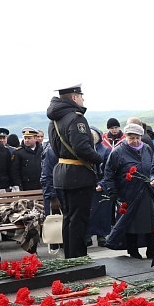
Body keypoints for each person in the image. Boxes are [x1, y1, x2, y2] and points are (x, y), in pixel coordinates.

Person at [47, 84, 103, 259]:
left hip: (62, 173)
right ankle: (79, 258)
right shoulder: (76, 118)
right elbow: (82, 148)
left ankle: (71, 257)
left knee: (69, 219)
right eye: (80, 96)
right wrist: (99, 158)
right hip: (78, 175)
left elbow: (56, 149)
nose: (83, 99)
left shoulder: (54, 120)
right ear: (74, 97)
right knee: (79, 220)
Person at [98, 123, 154, 259]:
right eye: (131, 138)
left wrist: (153, 179)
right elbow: (109, 174)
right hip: (128, 193)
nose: (135, 141)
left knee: (150, 222)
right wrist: (114, 193)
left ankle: (151, 249)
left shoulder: (147, 148)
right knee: (131, 224)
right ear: (126, 137)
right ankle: (133, 250)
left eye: (138, 138)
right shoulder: (117, 152)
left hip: (147, 191)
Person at [87, 126, 112, 247]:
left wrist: (103, 183)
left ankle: (101, 235)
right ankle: (87, 235)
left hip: (101, 183)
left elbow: (109, 170)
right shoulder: (84, 150)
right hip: (87, 184)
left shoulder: (105, 151)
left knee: (102, 212)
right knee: (88, 212)